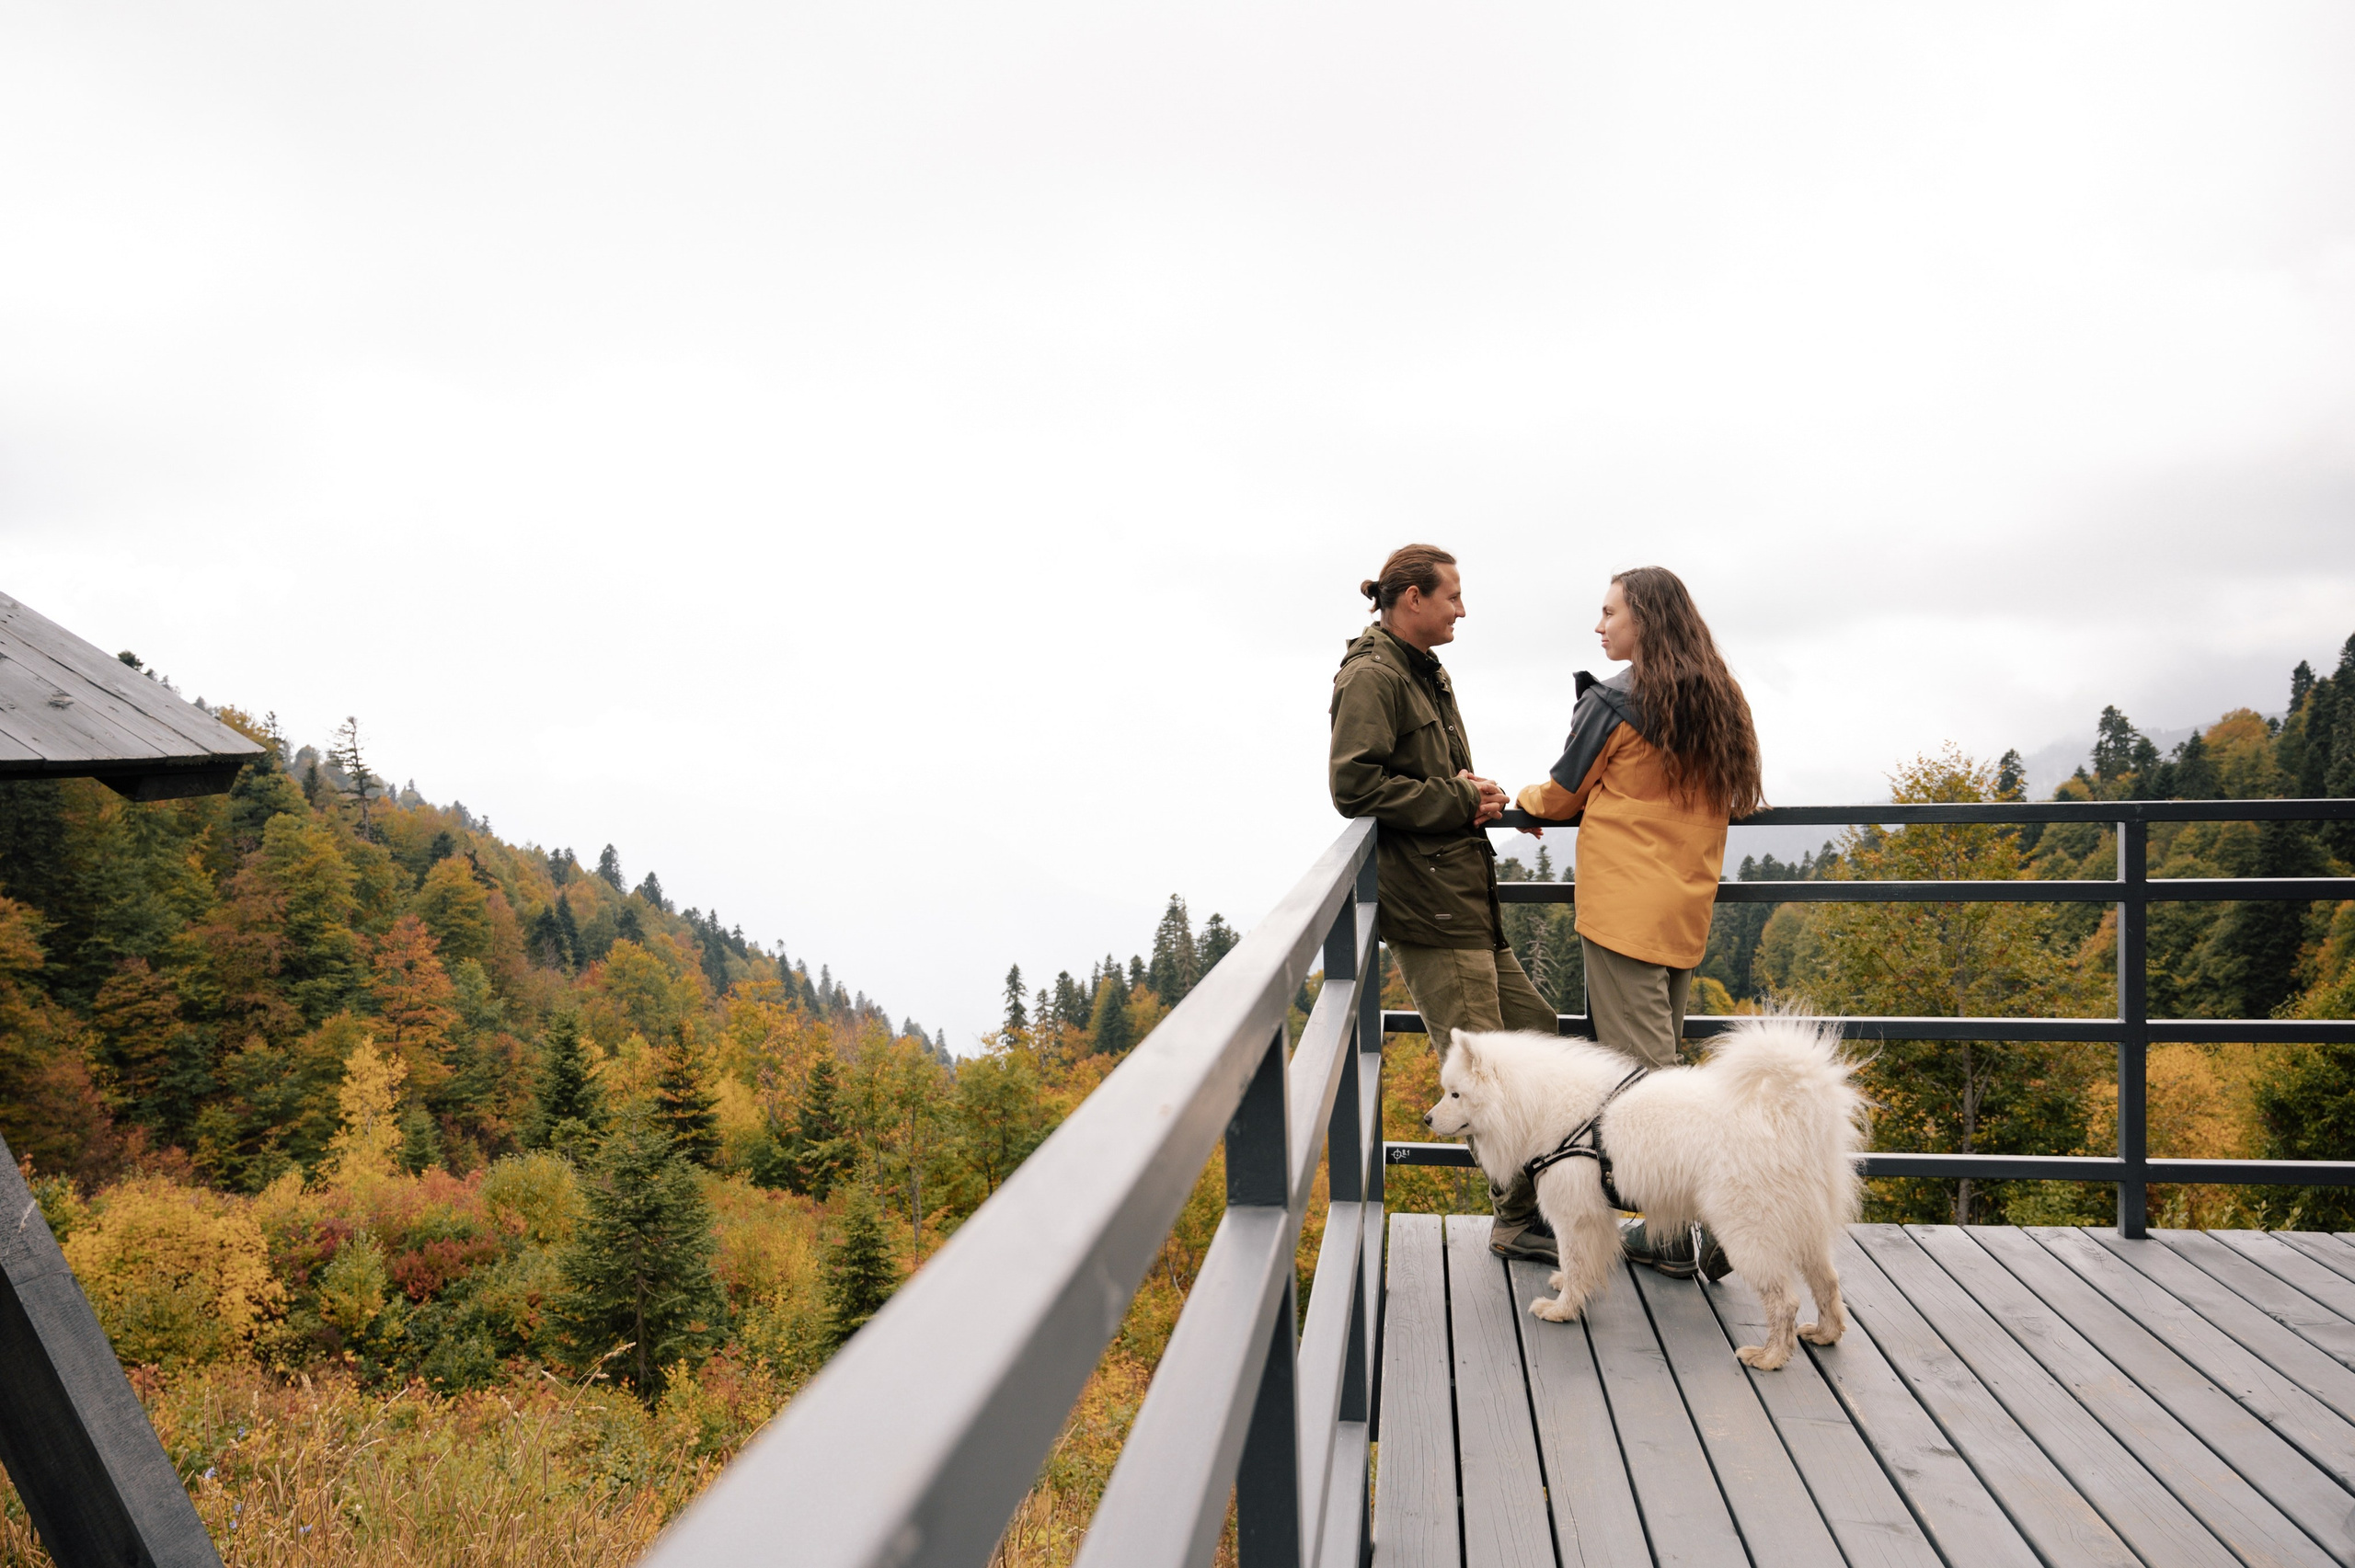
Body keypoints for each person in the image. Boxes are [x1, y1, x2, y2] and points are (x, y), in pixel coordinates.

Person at [1514, 565, 1764, 1277]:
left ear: (1644, 620)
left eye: (1608, 612)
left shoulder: (1616, 701)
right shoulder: (1718, 697)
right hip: (1685, 904)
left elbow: (1562, 794)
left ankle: (1725, 1224)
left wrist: (1519, 799)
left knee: (1653, 1084)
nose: (1599, 626)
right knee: (1656, 1069)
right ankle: (1667, 1235)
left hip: (1623, 909)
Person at [1329, 544, 1561, 1262]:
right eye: (1452, 595)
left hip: (1465, 894)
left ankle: (1546, 1202)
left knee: (1535, 1031)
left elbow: (1429, 778)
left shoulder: (1422, 671)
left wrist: (1478, 795)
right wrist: (1458, 797)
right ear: (1411, 599)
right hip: (1431, 905)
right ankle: (1518, 1219)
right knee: (1487, 1073)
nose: (1462, 608)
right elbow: (1353, 787)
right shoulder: (1373, 675)